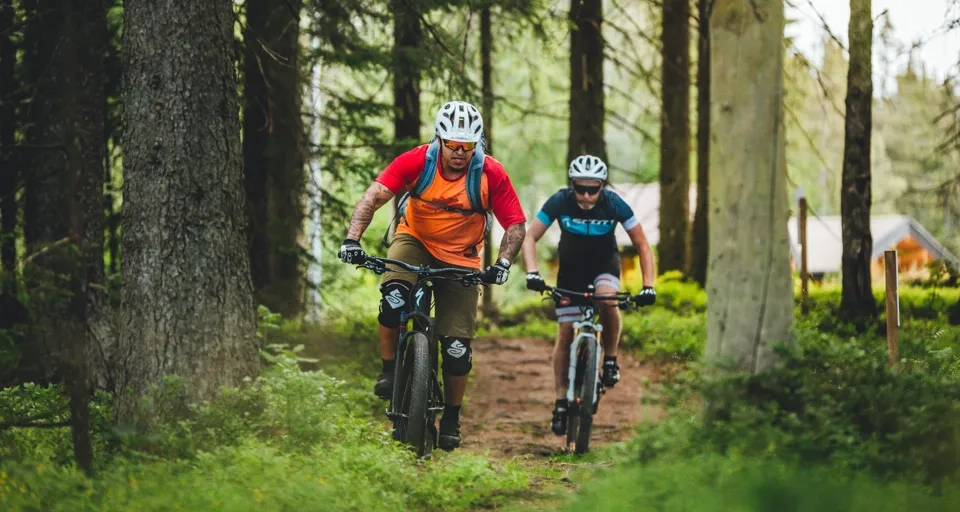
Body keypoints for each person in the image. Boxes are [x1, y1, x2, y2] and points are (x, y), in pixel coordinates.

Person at [337, 100, 527, 451]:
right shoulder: (416, 161)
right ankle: (389, 370)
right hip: (415, 239)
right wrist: (352, 240)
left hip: (462, 256)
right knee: (394, 298)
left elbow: (515, 224)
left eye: (467, 146)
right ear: (439, 138)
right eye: (452, 144)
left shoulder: (490, 174)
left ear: (477, 143)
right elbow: (374, 197)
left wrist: (502, 262)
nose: (458, 152)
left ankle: (452, 417)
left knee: (456, 350)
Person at [519, 154, 656, 436]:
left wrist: (648, 285)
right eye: (580, 188)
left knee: (607, 300)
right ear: (572, 185)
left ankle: (610, 359)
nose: (585, 195)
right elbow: (530, 236)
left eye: (592, 189)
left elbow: (642, 244)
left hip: (604, 265)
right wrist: (532, 272)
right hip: (571, 270)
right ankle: (560, 400)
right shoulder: (560, 201)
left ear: (602, 187)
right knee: (566, 330)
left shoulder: (614, 204)